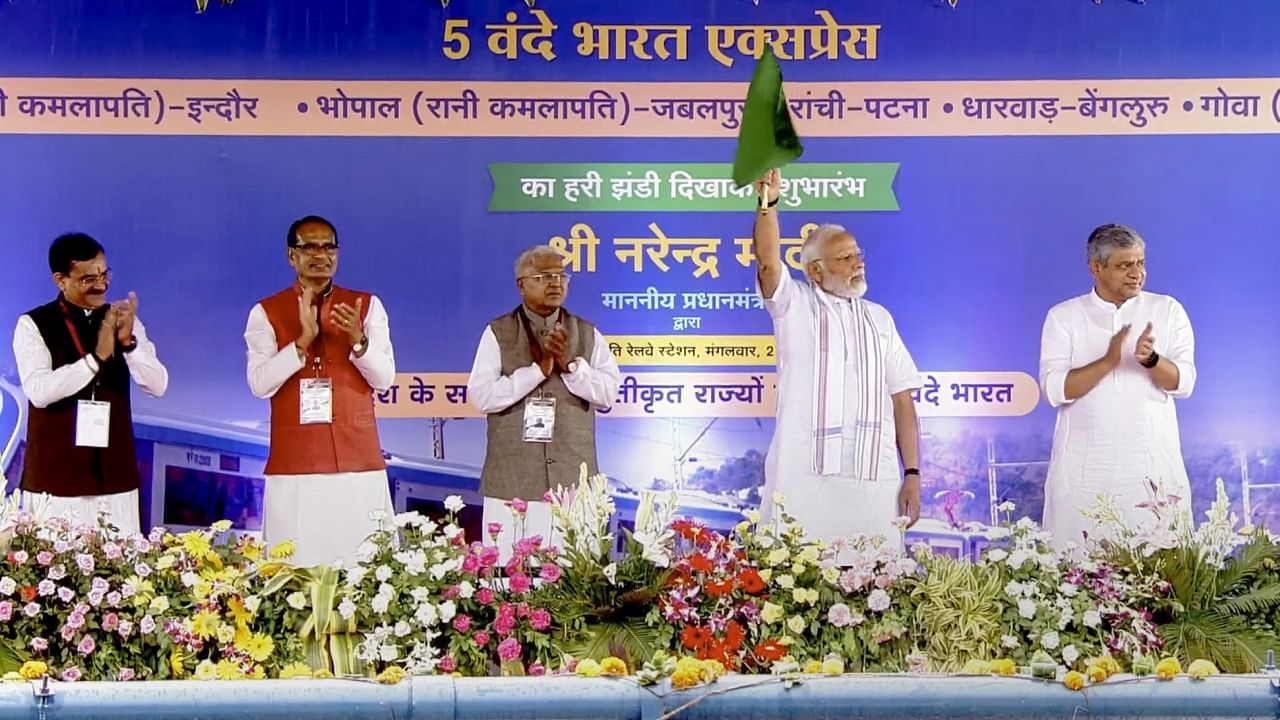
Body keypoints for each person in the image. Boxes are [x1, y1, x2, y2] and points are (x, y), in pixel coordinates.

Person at [751, 169, 923, 544]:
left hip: (873, 486)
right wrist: (768, 205)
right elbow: (767, 262)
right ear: (816, 270)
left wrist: (912, 472)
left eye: (858, 254)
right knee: (795, 582)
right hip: (803, 482)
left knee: (875, 585)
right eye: (845, 258)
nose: (858, 263)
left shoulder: (880, 318)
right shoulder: (793, 304)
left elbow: (903, 401)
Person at [244, 215, 395, 567]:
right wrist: (300, 344)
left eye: (328, 246)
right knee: (296, 570)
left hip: (358, 462)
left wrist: (359, 341)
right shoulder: (265, 311)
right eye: (309, 246)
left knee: (363, 567)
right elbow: (259, 383)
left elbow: (385, 378)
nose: (320, 255)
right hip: (296, 466)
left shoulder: (366, 306)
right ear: (290, 256)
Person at [1039, 223, 1195, 548]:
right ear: (1096, 268)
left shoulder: (1167, 310)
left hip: (1151, 472)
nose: (1136, 273)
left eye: (1140, 263)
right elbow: (1055, 390)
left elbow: (1184, 382)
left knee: (1158, 579)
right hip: (1083, 475)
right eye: (1125, 265)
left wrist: (1151, 360)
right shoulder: (1064, 316)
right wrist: (1107, 361)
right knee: (1076, 575)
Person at [466, 245, 621, 553]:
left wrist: (572, 366)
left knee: (573, 585)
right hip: (513, 485)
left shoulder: (588, 333)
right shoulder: (498, 332)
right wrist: (537, 372)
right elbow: (481, 396)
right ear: (522, 284)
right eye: (545, 276)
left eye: (561, 275)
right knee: (513, 581)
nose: (556, 283)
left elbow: (608, 394)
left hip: (573, 487)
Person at [12, 232, 168, 533]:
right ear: (61, 280)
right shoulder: (32, 324)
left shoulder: (125, 319)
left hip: (115, 480)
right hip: (54, 483)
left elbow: (158, 385)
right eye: (87, 279)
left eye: (104, 274)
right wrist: (95, 360)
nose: (101, 285)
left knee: (123, 574)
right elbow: (39, 392)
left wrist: (130, 344)